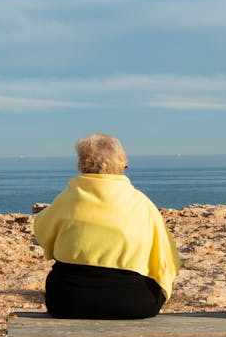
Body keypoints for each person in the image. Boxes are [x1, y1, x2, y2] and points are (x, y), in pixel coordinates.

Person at [33, 134, 181, 319]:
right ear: (122, 163)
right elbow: (167, 255)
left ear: (82, 163)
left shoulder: (67, 199)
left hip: (69, 301)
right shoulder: (142, 204)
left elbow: (41, 231)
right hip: (136, 303)